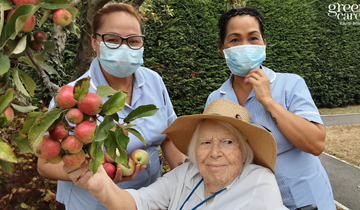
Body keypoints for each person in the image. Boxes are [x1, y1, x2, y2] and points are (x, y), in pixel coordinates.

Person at [37, 3, 186, 210]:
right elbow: (44, 165)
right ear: (94, 42)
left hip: (149, 200)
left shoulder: (154, 81)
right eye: (113, 40)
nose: (124, 47)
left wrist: (186, 173)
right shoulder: (73, 98)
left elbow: (169, 135)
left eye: (133, 41)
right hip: (93, 204)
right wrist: (96, 172)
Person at [205, 7, 336, 210]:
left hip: (306, 200)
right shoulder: (216, 100)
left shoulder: (290, 84)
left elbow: (315, 144)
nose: (245, 45)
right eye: (235, 40)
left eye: (253, 38)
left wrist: (268, 101)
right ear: (222, 50)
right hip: (252, 202)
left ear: (264, 44)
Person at [63, 99, 289, 210]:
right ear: (194, 150)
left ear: (244, 151)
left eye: (228, 142)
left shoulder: (259, 181)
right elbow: (135, 203)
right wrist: (102, 186)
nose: (215, 153)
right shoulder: (185, 174)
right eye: (206, 142)